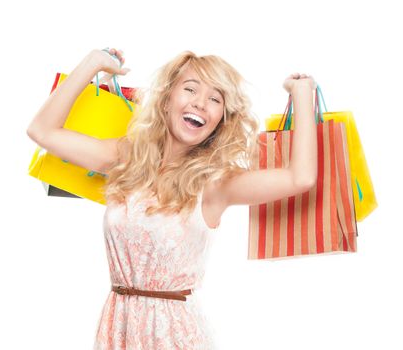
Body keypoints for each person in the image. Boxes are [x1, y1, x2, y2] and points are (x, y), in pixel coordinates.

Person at [26, 47, 317, 349]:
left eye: (215, 99)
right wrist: (92, 63)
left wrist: (301, 93)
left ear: (221, 120)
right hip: (118, 327)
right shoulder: (127, 156)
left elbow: (301, 177)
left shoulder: (216, 183)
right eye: (190, 89)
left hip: (175, 335)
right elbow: (42, 131)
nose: (200, 103)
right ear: (166, 100)